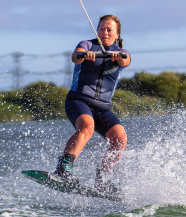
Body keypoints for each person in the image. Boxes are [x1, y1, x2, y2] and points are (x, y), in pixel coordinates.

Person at [54, 15, 131, 193]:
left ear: (117, 34)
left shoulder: (122, 51)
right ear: (97, 30)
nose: (105, 32)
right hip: (79, 100)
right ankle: (64, 168)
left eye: (109, 29)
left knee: (120, 138)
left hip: (102, 108)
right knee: (87, 127)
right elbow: (76, 57)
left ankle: (103, 179)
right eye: (102, 28)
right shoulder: (87, 44)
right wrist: (83, 55)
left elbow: (125, 60)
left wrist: (118, 55)